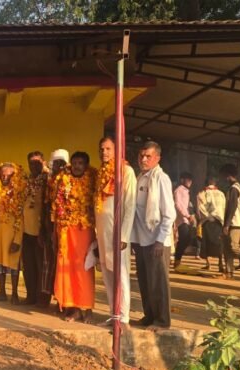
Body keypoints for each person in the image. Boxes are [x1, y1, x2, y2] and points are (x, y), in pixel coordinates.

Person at [131, 142, 175, 330]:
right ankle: (149, 316)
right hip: (141, 239)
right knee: (145, 280)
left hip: (157, 240)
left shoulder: (161, 179)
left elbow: (169, 213)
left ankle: (162, 321)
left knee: (158, 282)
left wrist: (160, 241)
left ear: (157, 158)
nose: (143, 159)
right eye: (141, 155)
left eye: (148, 156)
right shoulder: (140, 177)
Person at [94, 137, 136, 327]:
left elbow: (130, 205)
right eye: (102, 149)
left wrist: (124, 235)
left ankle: (124, 317)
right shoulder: (101, 173)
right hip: (102, 232)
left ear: (117, 150)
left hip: (117, 233)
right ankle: (114, 314)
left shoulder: (126, 171)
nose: (104, 152)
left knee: (121, 274)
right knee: (107, 274)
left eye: (108, 149)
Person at [52, 151, 97, 323]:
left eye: (81, 163)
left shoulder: (93, 180)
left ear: (86, 165)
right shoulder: (63, 180)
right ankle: (74, 308)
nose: (77, 166)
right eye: (75, 163)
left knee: (84, 268)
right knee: (68, 269)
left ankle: (88, 308)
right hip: (66, 230)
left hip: (84, 229)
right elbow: (57, 207)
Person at [0, 163, 26, 304]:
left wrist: (17, 239)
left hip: (12, 234)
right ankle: (2, 292)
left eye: (8, 175)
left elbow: (21, 217)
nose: (5, 178)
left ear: (13, 176)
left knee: (13, 265)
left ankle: (14, 294)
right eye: (2, 175)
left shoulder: (18, 192)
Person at [39, 150, 69, 308]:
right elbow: (45, 205)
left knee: (61, 264)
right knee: (48, 263)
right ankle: (45, 298)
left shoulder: (70, 181)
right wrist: (44, 228)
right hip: (49, 227)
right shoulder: (49, 181)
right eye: (56, 163)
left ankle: (61, 301)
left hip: (64, 229)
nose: (59, 166)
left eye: (62, 163)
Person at [21, 151, 46, 305]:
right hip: (26, 230)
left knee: (41, 265)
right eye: (31, 163)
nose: (34, 166)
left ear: (43, 163)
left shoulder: (47, 180)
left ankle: (41, 299)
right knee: (28, 266)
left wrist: (44, 230)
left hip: (40, 231)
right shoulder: (26, 181)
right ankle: (30, 296)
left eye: (38, 163)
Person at [196, 177, 226, 273]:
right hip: (219, 221)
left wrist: (207, 217)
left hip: (207, 221)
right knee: (219, 243)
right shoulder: (221, 194)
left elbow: (200, 207)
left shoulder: (202, 193)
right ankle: (220, 263)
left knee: (206, 242)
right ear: (215, 183)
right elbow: (224, 207)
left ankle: (208, 264)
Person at [173, 172, 196, 269]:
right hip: (182, 219)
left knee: (187, 239)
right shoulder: (179, 190)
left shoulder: (187, 191)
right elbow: (178, 204)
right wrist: (187, 215)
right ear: (182, 180)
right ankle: (177, 261)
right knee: (184, 239)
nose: (190, 182)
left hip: (187, 219)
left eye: (191, 180)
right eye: (188, 180)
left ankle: (178, 259)